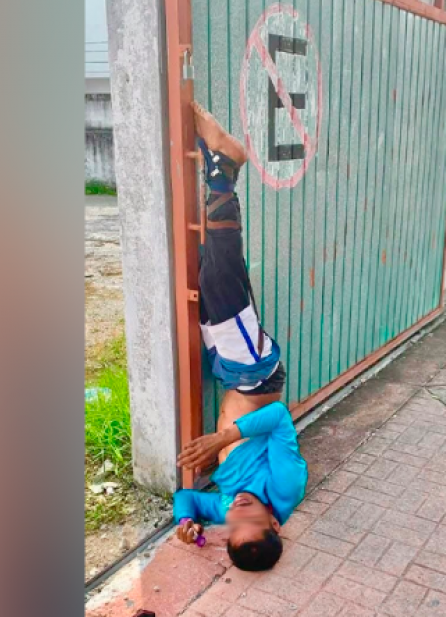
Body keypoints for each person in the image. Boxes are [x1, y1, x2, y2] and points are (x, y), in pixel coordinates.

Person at [171, 101, 308, 573]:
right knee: (220, 274)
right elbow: (280, 418)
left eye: (234, 522)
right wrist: (222, 439)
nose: (240, 509)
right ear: (275, 524)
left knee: (208, 273)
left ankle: (216, 164)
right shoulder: (286, 490)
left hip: (229, 370)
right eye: (253, 518)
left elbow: (189, 497)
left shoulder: (228, 509)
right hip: (255, 374)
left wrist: (186, 520)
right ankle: (225, 167)